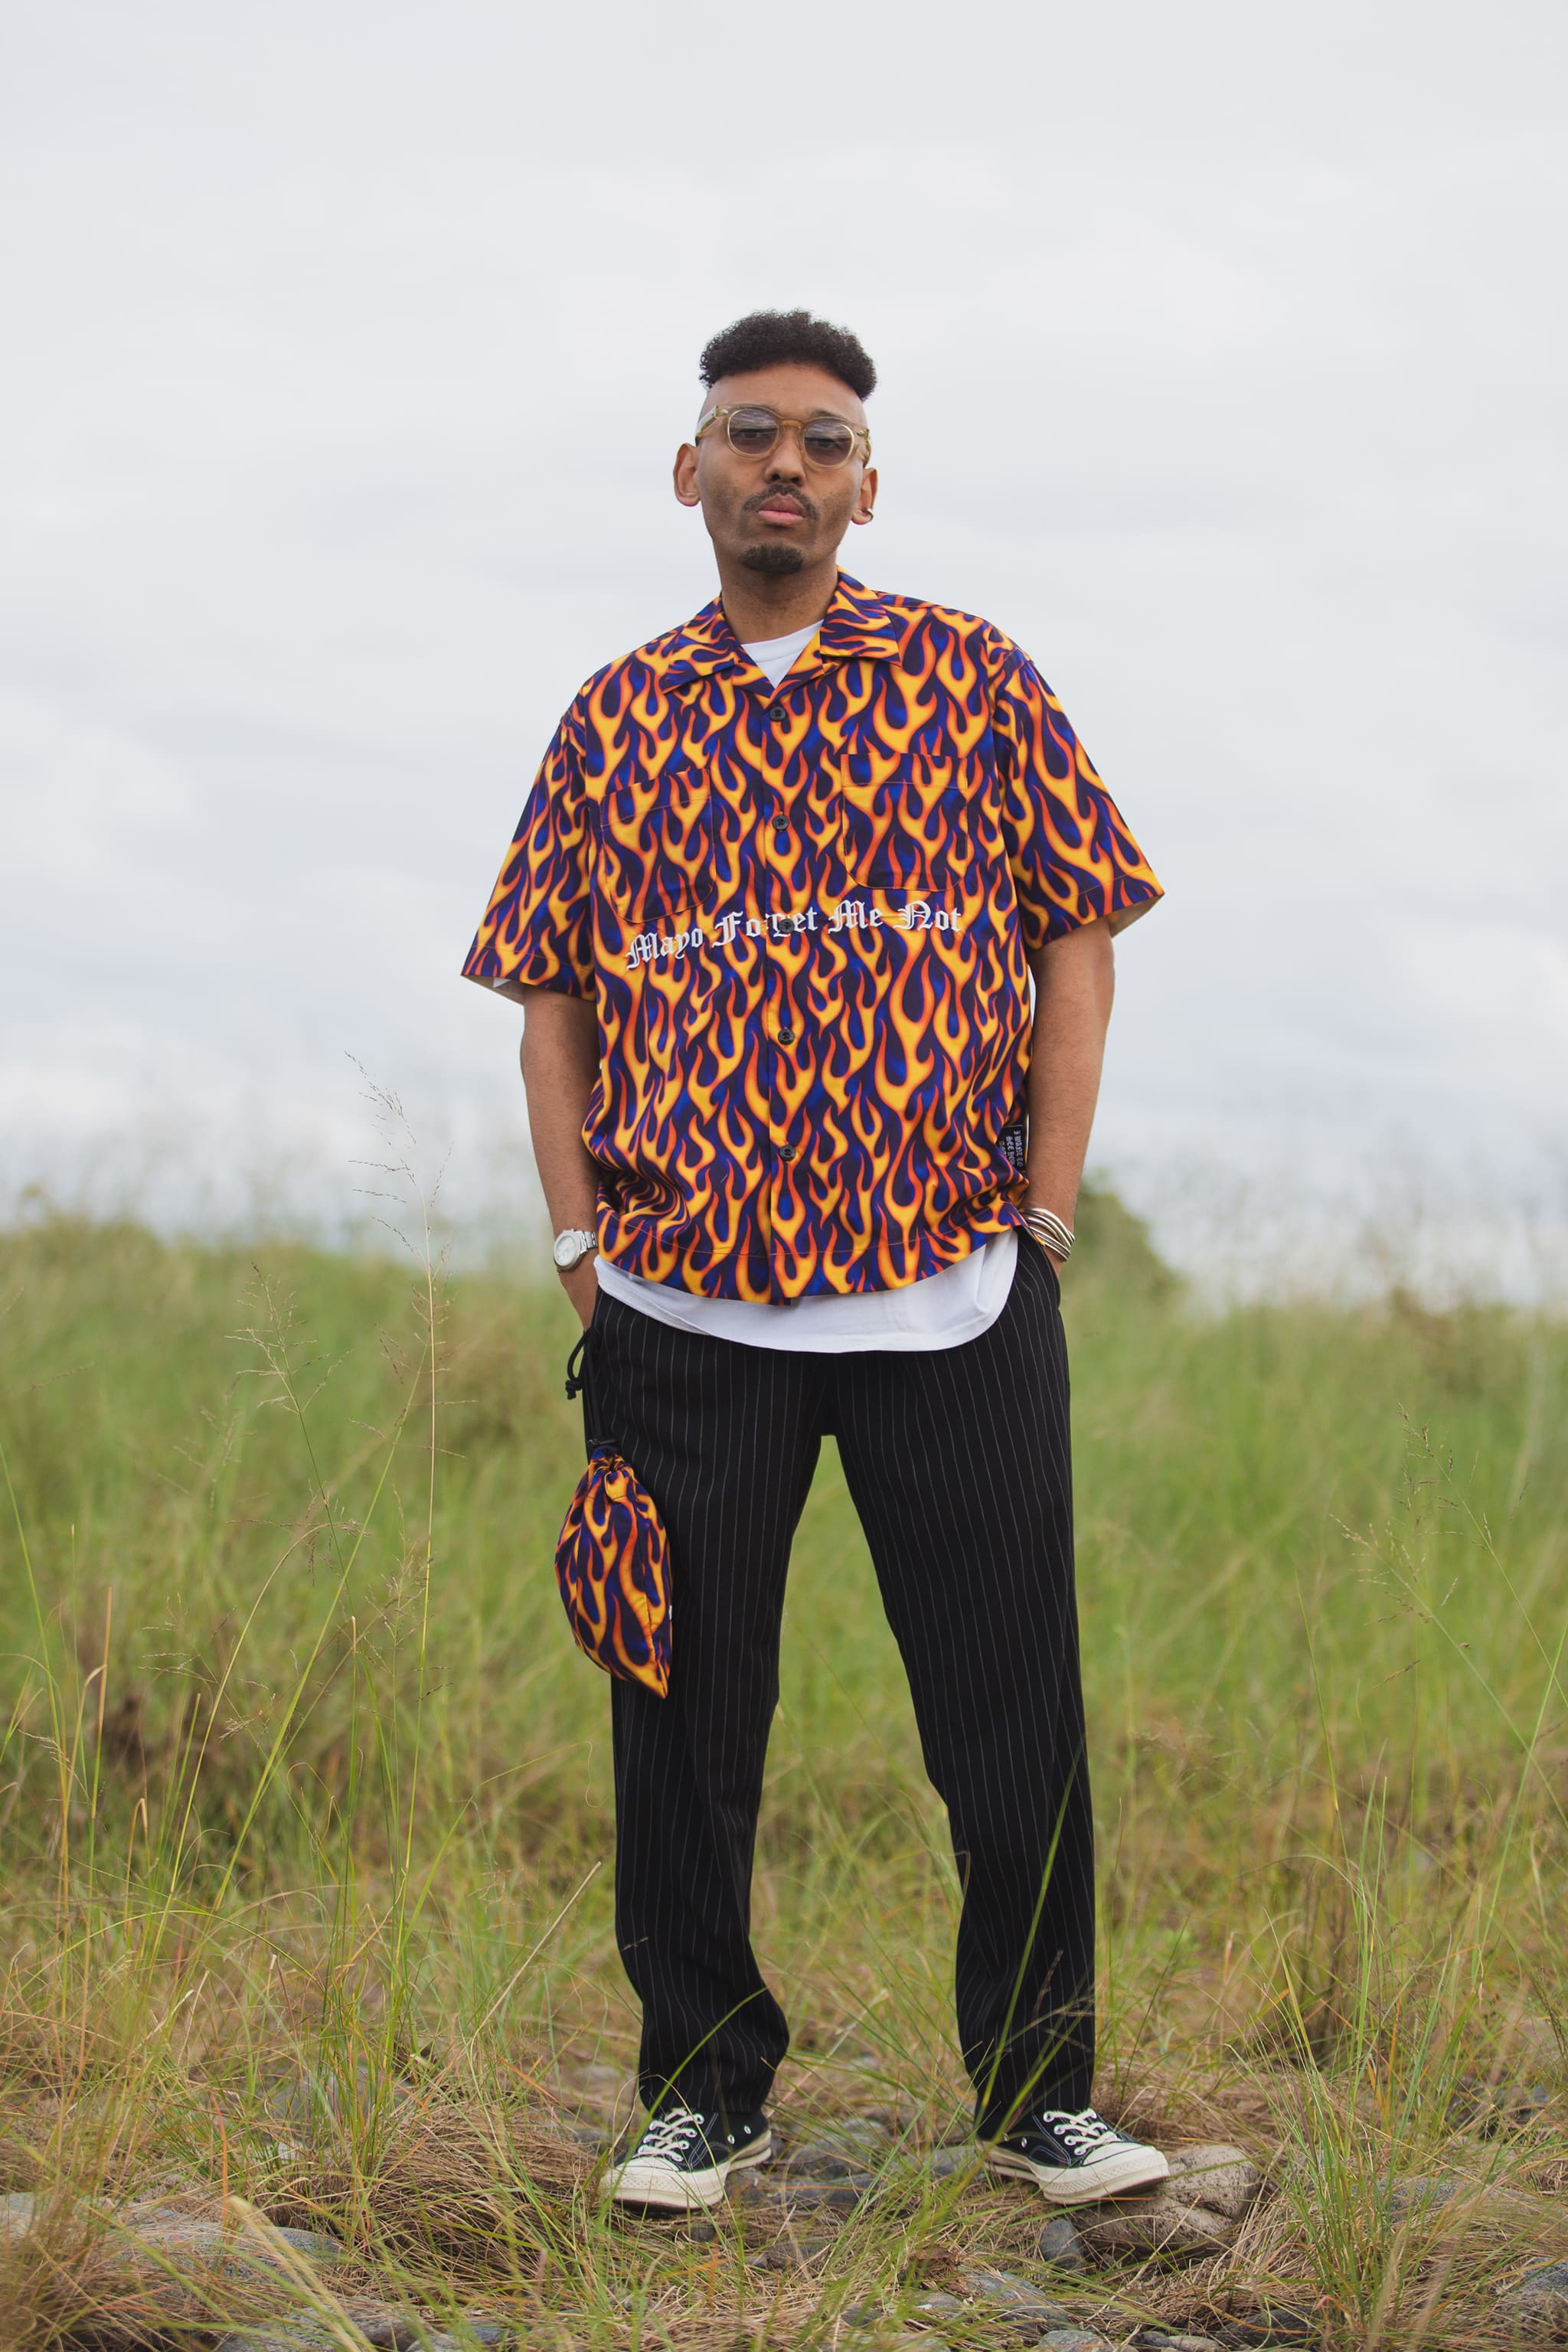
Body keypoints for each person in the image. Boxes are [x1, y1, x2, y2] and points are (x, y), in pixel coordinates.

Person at [463, 309, 1167, 2213]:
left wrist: (1043, 1213)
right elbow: (547, 997)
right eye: (750, 432)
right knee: (681, 1719)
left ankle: (1041, 2097)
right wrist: (579, 1246)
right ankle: (702, 2090)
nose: (786, 463)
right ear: (687, 469)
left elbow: (1080, 931)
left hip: (953, 1291)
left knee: (1008, 1718)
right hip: (681, 1304)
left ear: (868, 485)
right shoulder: (616, 715)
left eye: (824, 441)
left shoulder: (971, 678)